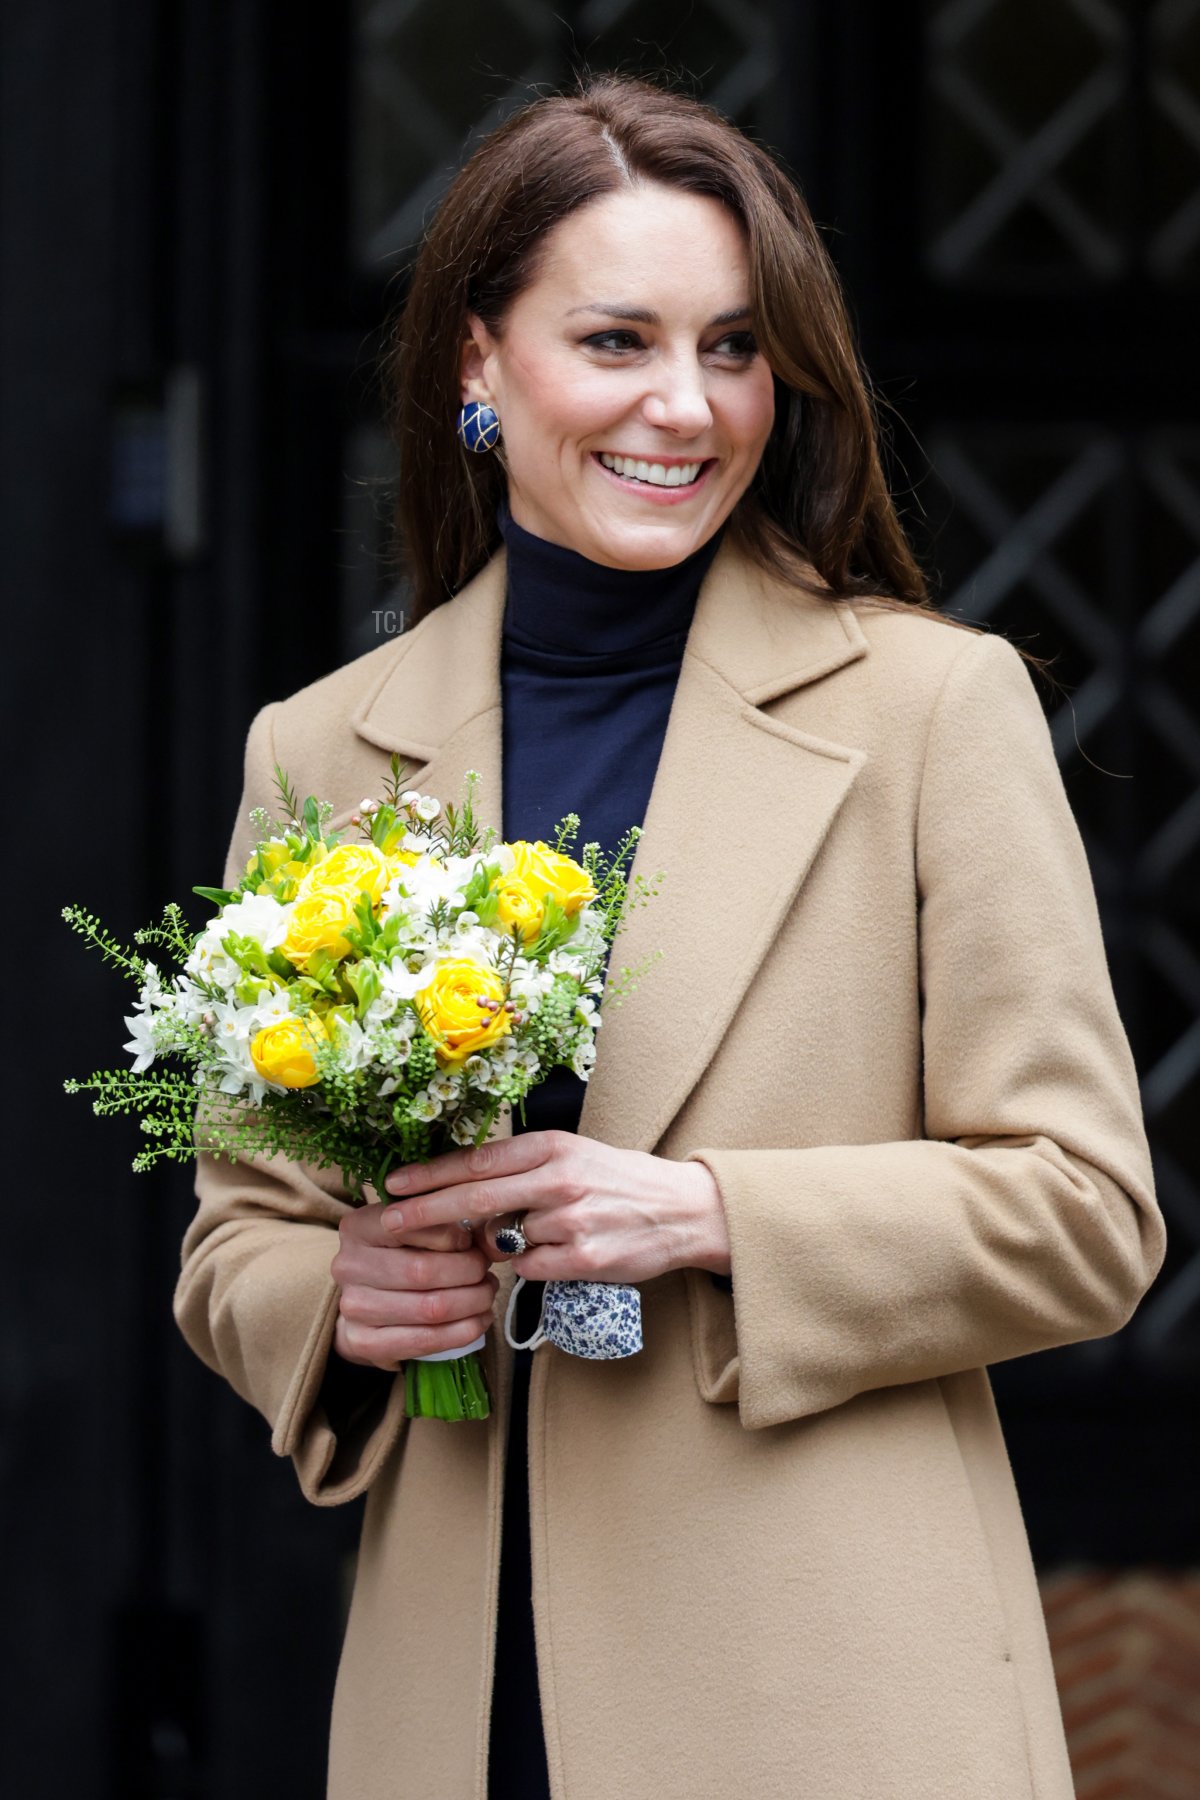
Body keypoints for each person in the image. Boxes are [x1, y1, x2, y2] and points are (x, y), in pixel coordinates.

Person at [175, 73, 1166, 1800]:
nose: (684, 406)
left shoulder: (935, 708)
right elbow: (237, 1241)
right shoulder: (319, 747)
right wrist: (344, 1303)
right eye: (617, 340)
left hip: (833, 1687)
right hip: (459, 1694)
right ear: (482, 362)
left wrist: (710, 1216)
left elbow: (1086, 1214)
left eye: (732, 347)